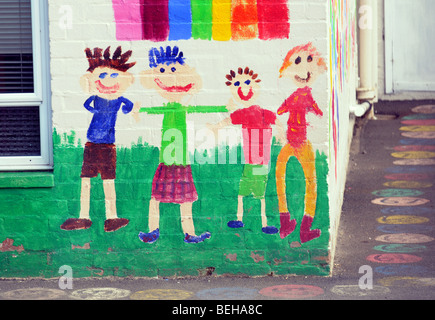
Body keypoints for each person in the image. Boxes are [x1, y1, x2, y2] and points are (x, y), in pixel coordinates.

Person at [137, 46, 228, 244]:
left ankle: (190, 233)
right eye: (163, 72)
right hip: (166, 162)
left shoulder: (184, 107)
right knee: (156, 198)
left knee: (184, 201)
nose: (170, 79)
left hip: (180, 162)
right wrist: (137, 109)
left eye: (174, 71)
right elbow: (149, 110)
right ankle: (153, 230)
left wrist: (224, 107)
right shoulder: (165, 107)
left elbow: (204, 108)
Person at [61, 46, 137, 232]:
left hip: (107, 145)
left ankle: (111, 218)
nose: (108, 81)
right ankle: (83, 216)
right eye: (102, 76)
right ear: (92, 79)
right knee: (86, 179)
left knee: (108, 180)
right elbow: (87, 103)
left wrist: (129, 110)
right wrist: (94, 110)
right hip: (92, 143)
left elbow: (129, 104)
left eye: (113, 76)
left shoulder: (119, 99)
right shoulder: (96, 97)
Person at [208, 66, 286, 234]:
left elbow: (278, 123)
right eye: (237, 84)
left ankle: (263, 223)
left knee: (259, 195)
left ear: (256, 86)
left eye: (247, 83)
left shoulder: (264, 113)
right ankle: (241, 219)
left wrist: (282, 134)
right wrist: (215, 127)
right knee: (245, 193)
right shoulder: (242, 113)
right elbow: (228, 120)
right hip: (250, 161)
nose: (243, 88)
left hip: (260, 161)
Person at [276, 42, 327, 243]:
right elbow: (316, 111)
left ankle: (290, 224)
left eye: (308, 60)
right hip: (297, 143)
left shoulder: (299, 97)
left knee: (288, 177)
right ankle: (296, 226)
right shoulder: (300, 97)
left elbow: (282, 110)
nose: (304, 68)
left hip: (297, 142)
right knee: (309, 182)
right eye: (297, 62)